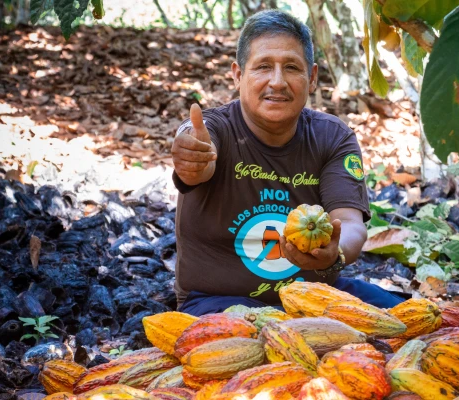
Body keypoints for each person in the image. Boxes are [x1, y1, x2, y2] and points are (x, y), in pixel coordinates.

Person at [171, 9, 403, 316]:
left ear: (312, 78)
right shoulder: (218, 129)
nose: (277, 82)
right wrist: (191, 155)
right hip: (215, 301)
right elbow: (197, 141)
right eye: (263, 66)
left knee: (413, 322)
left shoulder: (333, 137)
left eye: (292, 67)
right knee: (263, 349)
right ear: (238, 75)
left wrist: (334, 255)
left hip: (315, 295)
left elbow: (350, 224)